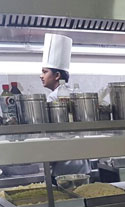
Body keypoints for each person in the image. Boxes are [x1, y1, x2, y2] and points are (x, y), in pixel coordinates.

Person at [40, 33, 90, 177]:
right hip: (83, 165)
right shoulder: (75, 93)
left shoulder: (54, 98)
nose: (41, 76)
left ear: (57, 76)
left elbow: (55, 134)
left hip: (64, 166)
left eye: (45, 72)